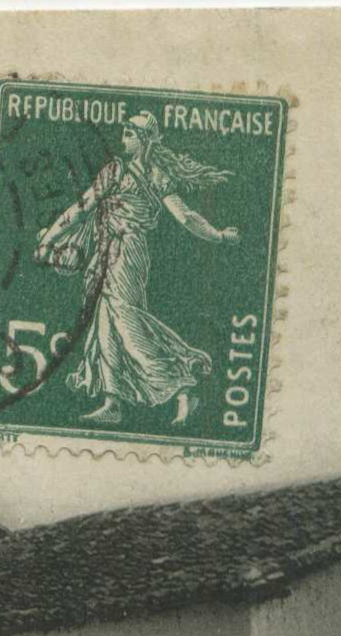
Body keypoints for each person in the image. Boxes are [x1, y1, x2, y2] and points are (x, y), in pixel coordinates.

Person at [34, 113, 242, 427]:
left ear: (143, 138)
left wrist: (219, 235)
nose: (123, 140)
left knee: (125, 321)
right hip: (112, 252)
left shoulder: (129, 173)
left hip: (126, 254)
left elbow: (82, 208)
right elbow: (85, 207)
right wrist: (220, 235)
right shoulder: (147, 174)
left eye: (129, 134)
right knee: (106, 325)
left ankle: (182, 383)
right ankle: (113, 401)